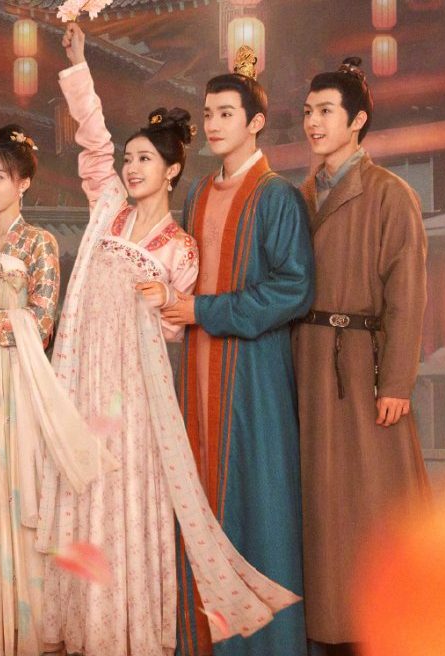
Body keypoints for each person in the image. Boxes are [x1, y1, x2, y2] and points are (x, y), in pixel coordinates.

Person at [38, 25, 300, 656]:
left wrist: (164, 304)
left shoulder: (181, 249)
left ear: (172, 170)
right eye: (128, 159)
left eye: (144, 160)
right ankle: (81, 625)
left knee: (128, 503)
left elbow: (176, 329)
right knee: (83, 496)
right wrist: (79, 66)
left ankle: (130, 630)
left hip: (137, 400)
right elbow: (93, 139)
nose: (130, 167)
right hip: (86, 383)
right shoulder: (107, 211)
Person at [0, 124, 114, 656]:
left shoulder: (39, 243)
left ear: (24, 182)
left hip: (12, 381)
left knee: (9, 489)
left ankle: (20, 631)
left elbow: (41, 323)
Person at [161, 47, 314, 656]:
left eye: (227, 113)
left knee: (259, 501)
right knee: (202, 498)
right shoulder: (198, 192)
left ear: (256, 122)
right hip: (198, 369)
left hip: (253, 374)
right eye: (208, 113)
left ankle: (267, 646)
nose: (214, 123)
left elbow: (293, 289)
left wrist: (205, 311)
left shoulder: (276, 196)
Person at [294, 57, 430, 656]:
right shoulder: (299, 195)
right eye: (308, 111)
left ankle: (380, 623)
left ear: (357, 121)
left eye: (326, 111)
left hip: (362, 364)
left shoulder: (389, 194)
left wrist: (396, 381)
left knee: (372, 498)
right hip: (306, 359)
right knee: (319, 500)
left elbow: (407, 295)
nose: (313, 122)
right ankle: (325, 625)